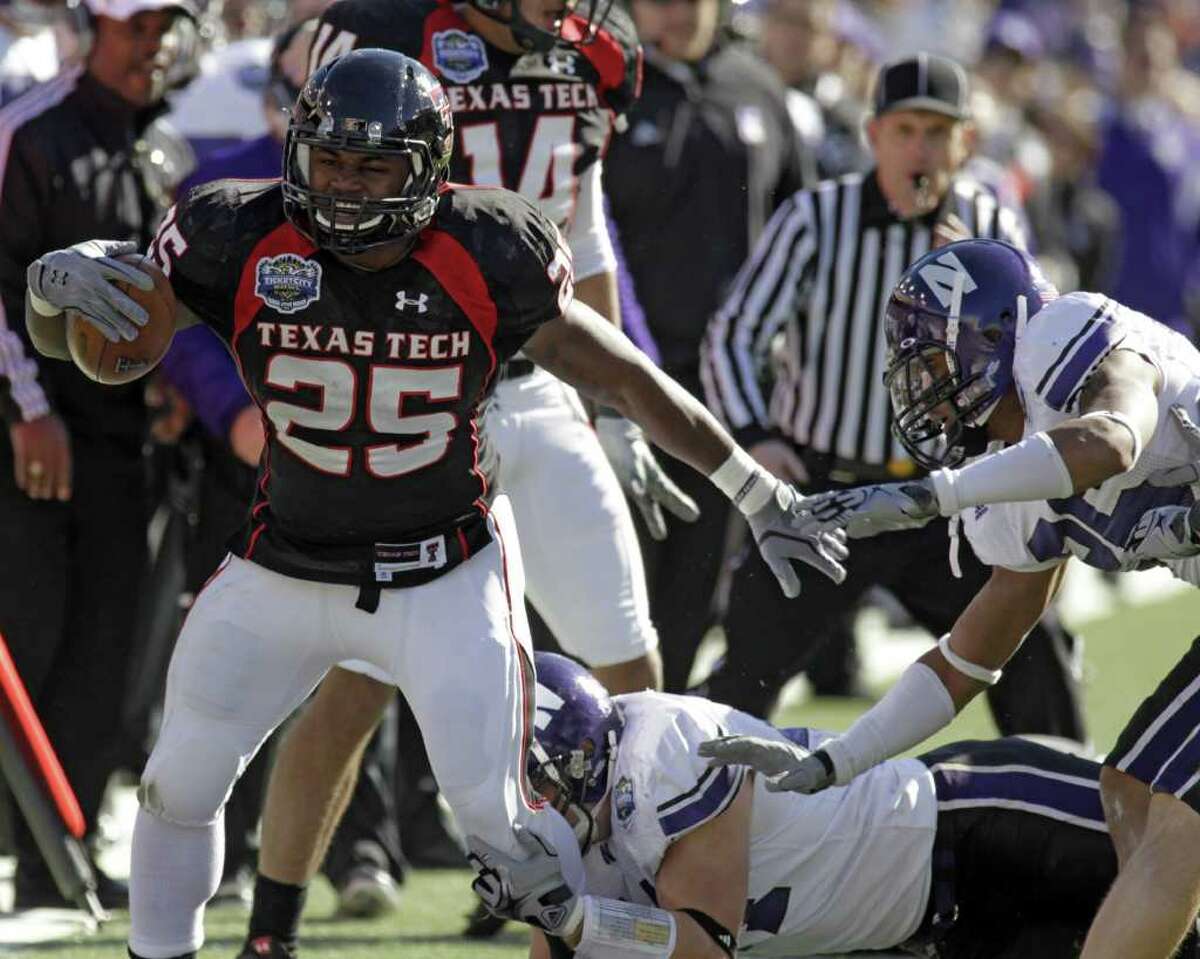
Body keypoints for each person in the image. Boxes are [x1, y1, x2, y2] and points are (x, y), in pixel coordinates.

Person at [21, 49, 848, 959]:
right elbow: (111, 347)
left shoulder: (489, 251)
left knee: (505, 832)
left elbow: (627, 377)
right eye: (330, 160)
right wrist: (51, 298)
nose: (344, 186)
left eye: (374, 166)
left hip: (441, 575)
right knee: (177, 784)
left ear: (429, 168)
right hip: (283, 561)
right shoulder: (234, 230)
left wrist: (752, 486)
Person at [701, 237, 1200, 959]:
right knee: (1126, 789)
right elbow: (967, 661)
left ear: (994, 332)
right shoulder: (1012, 482)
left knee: (1182, 820)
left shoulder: (1063, 335)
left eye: (933, 355)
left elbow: (1111, 439)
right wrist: (842, 758)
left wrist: (931, 496)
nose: (919, 379)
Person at [700, 52, 1086, 744]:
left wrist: (980, 277)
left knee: (1036, 655)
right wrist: (757, 436)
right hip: (828, 495)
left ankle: (1074, 824)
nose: (921, 149)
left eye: (938, 133)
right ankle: (686, 816)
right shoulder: (817, 218)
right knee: (746, 673)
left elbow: (1037, 355)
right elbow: (734, 333)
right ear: (873, 135)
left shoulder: (992, 225)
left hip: (950, 500)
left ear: (967, 142)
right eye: (906, 130)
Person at [489, 651, 1132, 959]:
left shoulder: (661, 755)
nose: (532, 807)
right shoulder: (577, 841)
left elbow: (705, 945)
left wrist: (577, 921)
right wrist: (564, 922)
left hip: (973, 824)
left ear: (584, 758)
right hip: (926, 936)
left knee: (1171, 861)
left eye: (539, 787)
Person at [0, 0, 197, 910]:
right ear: (91, 28)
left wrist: (166, 389)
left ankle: (57, 857)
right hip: (30, 446)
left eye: (165, 27)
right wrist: (28, 408)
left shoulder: (167, 145)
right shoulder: (28, 133)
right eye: (136, 26)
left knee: (105, 656)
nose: (152, 45)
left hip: (123, 449)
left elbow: (160, 299)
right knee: (29, 641)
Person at [603, 0, 812, 692]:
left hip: (725, 389)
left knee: (693, 591)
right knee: (605, 584)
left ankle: (655, 757)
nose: (679, 14)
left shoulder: (757, 88)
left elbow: (803, 229)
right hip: (615, 382)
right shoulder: (604, 85)